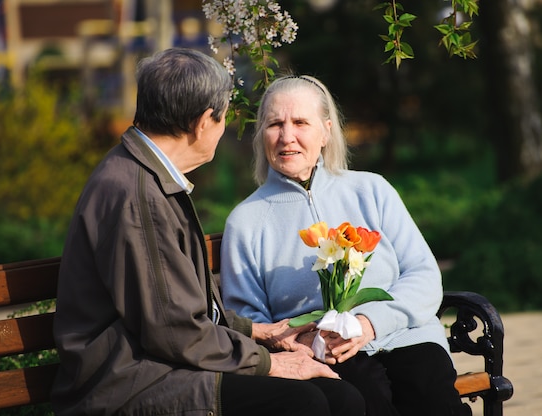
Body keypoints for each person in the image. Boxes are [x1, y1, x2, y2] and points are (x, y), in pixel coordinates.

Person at [51, 49, 366, 416]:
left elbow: (173, 310)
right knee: (306, 402)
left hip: (154, 364)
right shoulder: (138, 197)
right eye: (223, 118)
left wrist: (257, 332)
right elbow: (174, 332)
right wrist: (271, 364)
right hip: (127, 385)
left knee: (338, 397)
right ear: (203, 122)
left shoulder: (143, 174)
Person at [220, 74, 472, 416]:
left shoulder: (371, 190)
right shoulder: (246, 220)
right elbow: (248, 317)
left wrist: (369, 323)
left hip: (405, 335)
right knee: (367, 401)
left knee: (431, 396)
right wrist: (302, 341)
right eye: (275, 124)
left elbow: (424, 276)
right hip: (325, 355)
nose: (287, 136)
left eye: (300, 123)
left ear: (325, 131)